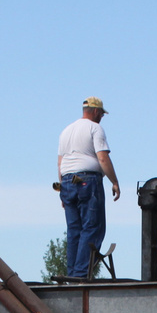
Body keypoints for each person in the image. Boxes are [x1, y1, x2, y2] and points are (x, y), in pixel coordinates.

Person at [56, 96, 121, 279]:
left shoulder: (66, 131)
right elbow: (102, 158)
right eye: (101, 113)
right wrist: (114, 181)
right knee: (92, 227)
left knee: (74, 229)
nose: (101, 117)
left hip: (67, 181)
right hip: (88, 181)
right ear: (95, 111)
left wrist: (62, 190)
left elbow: (60, 163)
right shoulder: (95, 128)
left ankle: (72, 274)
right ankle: (81, 275)